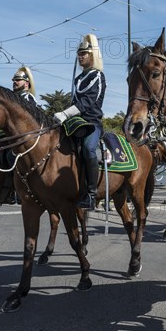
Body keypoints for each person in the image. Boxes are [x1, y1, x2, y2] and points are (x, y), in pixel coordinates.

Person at [54, 34, 106, 210]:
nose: (80, 56)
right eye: (79, 53)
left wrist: (65, 113)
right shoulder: (78, 79)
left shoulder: (97, 76)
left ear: (93, 56)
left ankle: (91, 194)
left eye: (84, 53)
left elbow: (88, 102)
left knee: (88, 148)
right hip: (75, 123)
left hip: (91, 123)